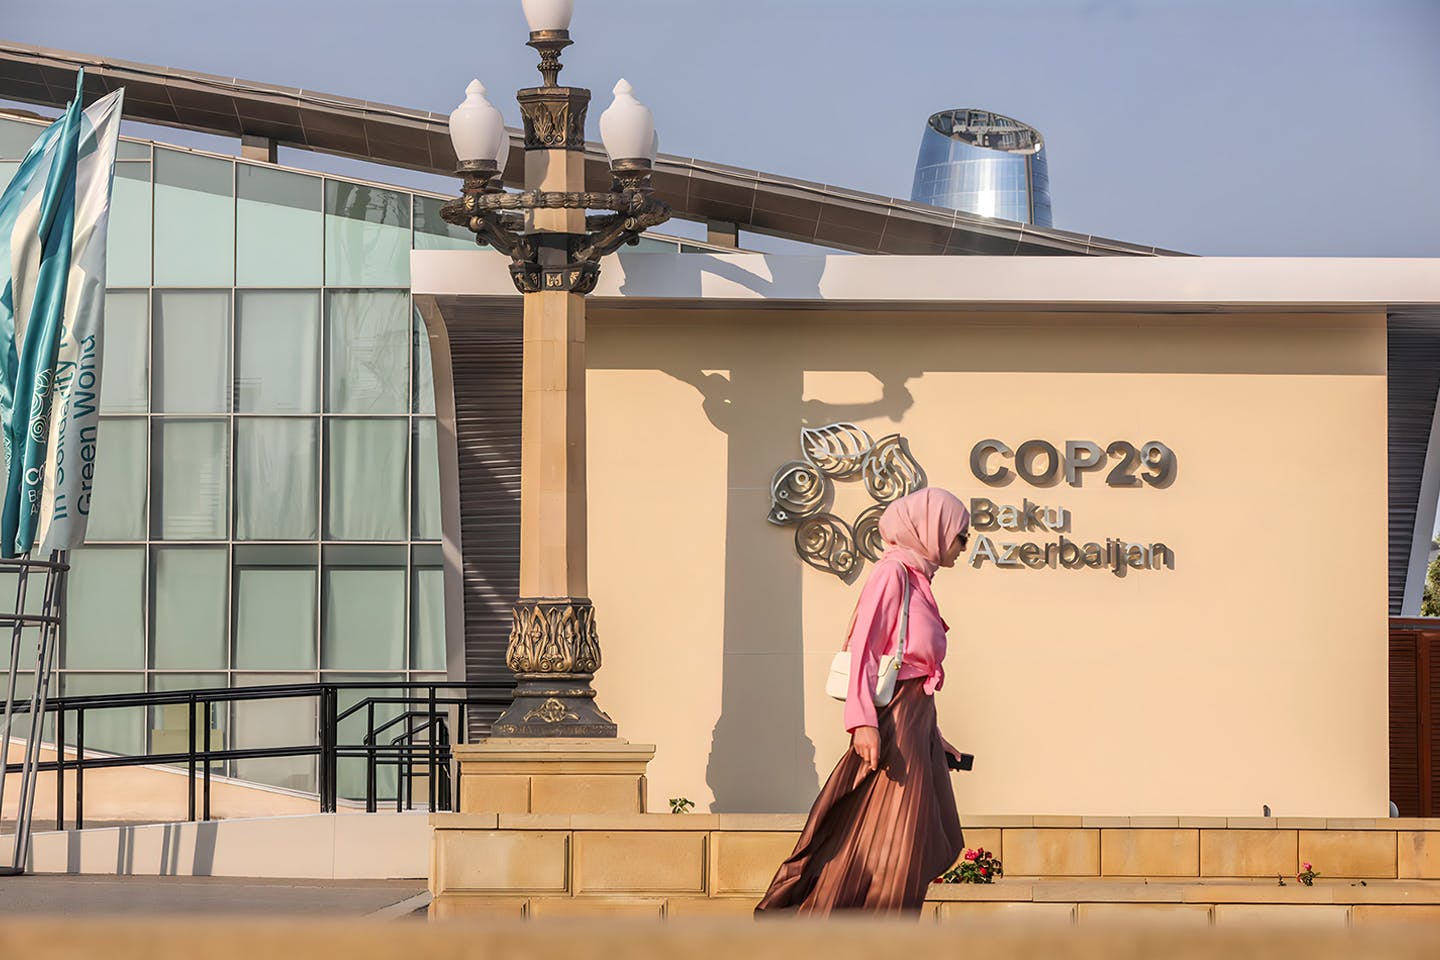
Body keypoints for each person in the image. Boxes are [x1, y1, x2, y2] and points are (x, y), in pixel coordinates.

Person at [755, 487, 970, 917]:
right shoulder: (893, 573)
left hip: (915, 723)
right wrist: (863, 722)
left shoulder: (918, 579)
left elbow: (914, 669)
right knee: (898, 839)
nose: (965, 544)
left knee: (912, 835)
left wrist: (935, 736)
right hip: (893, 723)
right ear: (934, 527)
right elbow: (864, 649)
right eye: (960, 533)